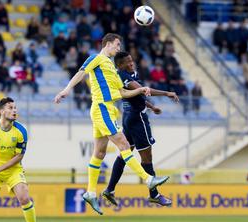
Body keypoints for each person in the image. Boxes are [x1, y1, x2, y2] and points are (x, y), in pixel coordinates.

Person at [54, 33, 170, 215]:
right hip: (101, 108)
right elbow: (81, 72)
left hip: (108, 110)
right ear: (107, 44)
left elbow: (123, 93)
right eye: (116, 44)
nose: (118, 48)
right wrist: (66, 90)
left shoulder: (112, 69)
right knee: (124, 145)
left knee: (99, 152)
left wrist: (140, 89)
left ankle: (91, 192)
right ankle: (148, 180)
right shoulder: (97, 58)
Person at [102, 51, 178, 207]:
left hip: (129, 118)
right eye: (127, 62)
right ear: (119, 65)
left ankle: (109, 189)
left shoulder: (129, 73)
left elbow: (137, 96)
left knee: (124, 154)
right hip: (137, 120)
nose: (131, 63)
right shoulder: (123, 76)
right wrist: (167, 93)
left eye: (131, 61)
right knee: (147, 157)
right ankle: (154, 194)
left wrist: (151, 106)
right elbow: (142, 90)